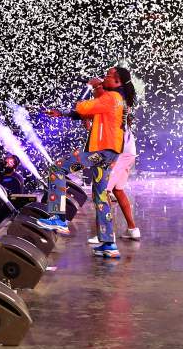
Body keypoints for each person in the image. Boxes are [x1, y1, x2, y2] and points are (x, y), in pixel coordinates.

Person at [35, 65, 137, 258]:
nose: (104, 77)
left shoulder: (111, 98)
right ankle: (108, 244)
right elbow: (87, 113)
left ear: (117, 81)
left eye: (107, 76)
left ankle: (58, 217)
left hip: (102, 151)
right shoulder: (116, 100)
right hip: (109, 153)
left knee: (57, 168)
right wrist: (62, 113)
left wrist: (92, 87)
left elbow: (83, 106)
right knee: (100, 196)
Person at [90, 109, 141, 244]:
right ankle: (132, 229)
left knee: (102, 191)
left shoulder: (112, 114)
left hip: (120, 155)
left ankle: (106, 233)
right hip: (129, 153)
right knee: (118, 190)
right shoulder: (120, 113)